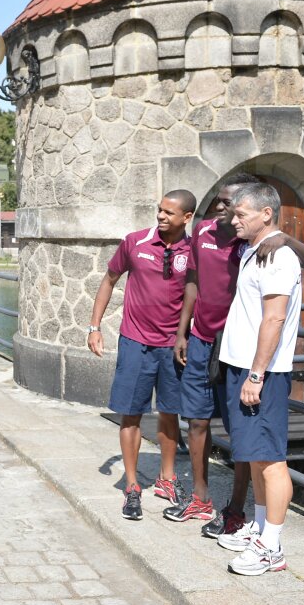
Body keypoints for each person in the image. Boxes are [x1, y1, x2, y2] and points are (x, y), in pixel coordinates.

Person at [170, 174, 304, 534]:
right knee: (200, 422)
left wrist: (283, 237)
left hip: (247, 356)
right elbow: (192, 280)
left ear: (262, 213)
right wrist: (183, 331)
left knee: (246, 439)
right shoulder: (210, 233)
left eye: (236, 206)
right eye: (224, 204)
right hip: (210, 342)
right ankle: (202, 498)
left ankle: (241, 513)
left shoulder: (262, 245)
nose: (228, 211)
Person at [88, 190, 196, 520]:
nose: (161, 216)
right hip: (135, 342)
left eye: (169, 213)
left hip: (172, 345)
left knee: (169, 412)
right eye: (159, 210)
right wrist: (94, 327)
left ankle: (167, 479)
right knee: (130, 413)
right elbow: (109, 280)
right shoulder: (134, 242)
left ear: (186, 218)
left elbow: (197, 295)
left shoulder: (193, 251)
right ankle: (132, 486)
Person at [215, 183, 304, 575]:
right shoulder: (255, 249)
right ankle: (262, 528)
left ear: (266, 214)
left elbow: (275, 317)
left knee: (271, 459)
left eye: (241, 214)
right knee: (254, 454)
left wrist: (256, 373)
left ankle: (273, 547)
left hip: (261, 372)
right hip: (242, 366)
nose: (233, 220)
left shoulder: (278, 256)